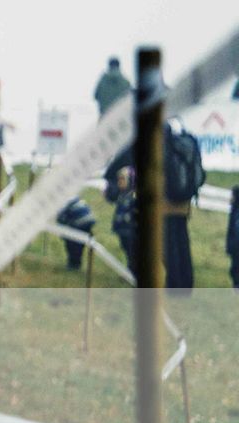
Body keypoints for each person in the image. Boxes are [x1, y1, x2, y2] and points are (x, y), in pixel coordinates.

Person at [104, 117, 206, 293]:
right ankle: (185, 285)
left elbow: (116, 166)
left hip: (162, 201)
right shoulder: (180, 139)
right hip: (182, 202)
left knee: (168, 247)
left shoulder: (147, 141)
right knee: (181, 242)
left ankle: (175, 288)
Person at [56, 197, 96, 271]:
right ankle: (76, 263)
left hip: (79, 222)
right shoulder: (72, 197)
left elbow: (61, 219)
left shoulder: (61, 203)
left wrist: (63, 234)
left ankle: (73, 264)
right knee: (79, 244)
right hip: (88, 220)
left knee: (72, 244)